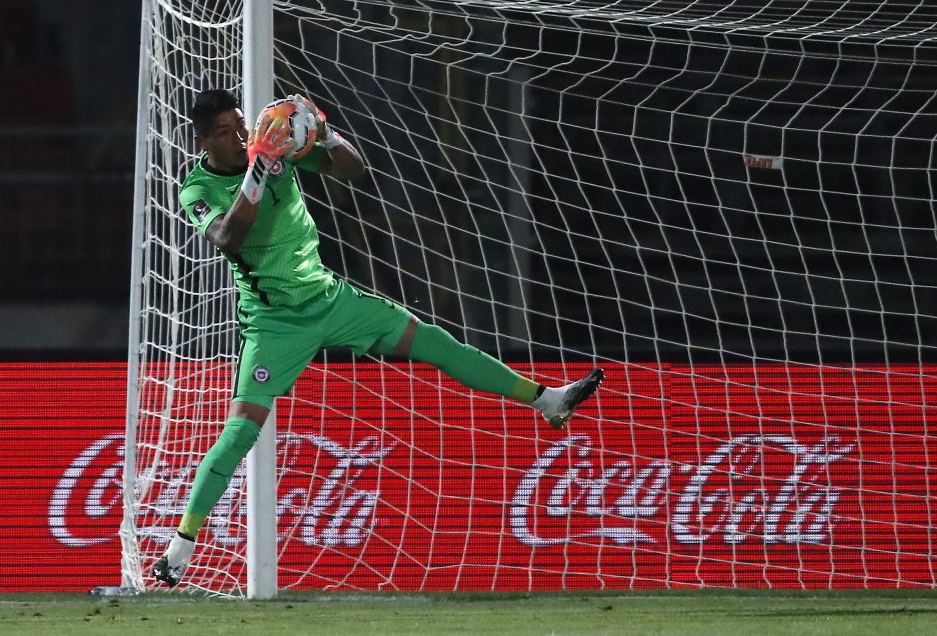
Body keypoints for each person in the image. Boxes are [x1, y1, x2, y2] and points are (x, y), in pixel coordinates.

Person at [151, 89, 603, 586]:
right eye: (224, 132)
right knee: (240, 432)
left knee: (434, 342)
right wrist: (258, 169)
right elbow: (227, 239)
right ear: (201, 140)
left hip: (331, 299)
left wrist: (323, 133)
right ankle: (181, 548)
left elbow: (351, 170)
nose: (239, 137)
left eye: (241, 125)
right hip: (274, 322)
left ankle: (548, 399)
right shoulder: (197, 188)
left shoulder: (275, 152)